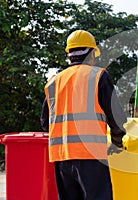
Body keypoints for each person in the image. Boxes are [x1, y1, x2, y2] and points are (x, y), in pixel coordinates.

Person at [40, 30, 127, 199]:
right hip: (92, 155)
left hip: (62, 156)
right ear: (92, 53)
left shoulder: (54, 82)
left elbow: (45, 122)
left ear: (69, 55)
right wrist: (116, 142)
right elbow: (117, 118)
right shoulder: (98, 76)